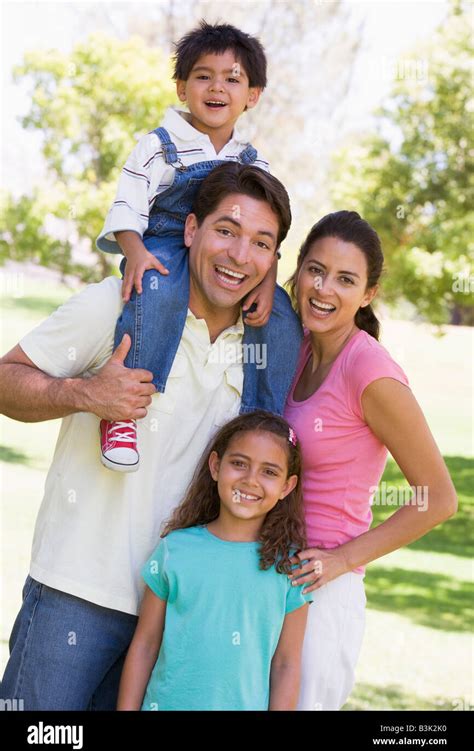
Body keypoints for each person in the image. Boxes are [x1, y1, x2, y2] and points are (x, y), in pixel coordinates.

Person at [0, 162, 301, 710]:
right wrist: (84, 395)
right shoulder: (120, 303)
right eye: (226, 231)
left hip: (181, 614)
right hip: (77, 591)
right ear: (191, 231)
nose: (239, 256)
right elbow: (5, 381)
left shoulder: (263, 350)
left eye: (261, 243)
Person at [95, 20, 299, 472]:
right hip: (166, 242)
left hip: (228, 255)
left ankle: (265, 424)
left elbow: (270, 225)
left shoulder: (252, 160)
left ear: (253, 95)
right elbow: (127, 205)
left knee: (281, 315)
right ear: (182, 87)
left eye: (233, 78)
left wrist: (268, 278)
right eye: (204, 76)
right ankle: (123, 413)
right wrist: (135, 252)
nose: (217, 87)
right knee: (158, 288)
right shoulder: (158, 146)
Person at [282, 210, 458, 711]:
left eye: (345, 279)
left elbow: (439, 498)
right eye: (315, 270)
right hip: (271, 581)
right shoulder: (298, 347)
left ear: (368, 294)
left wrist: (342, 560)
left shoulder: (370, 370)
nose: (324, 288)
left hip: (323, 595)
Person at [117, 412, 312, 711]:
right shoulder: (175, 550)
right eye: (239, 464)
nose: (250, 480)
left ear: (287, 486)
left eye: (269, 472)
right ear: (215, 466)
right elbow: (145, 645)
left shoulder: (290, 568)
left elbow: (286, 664)